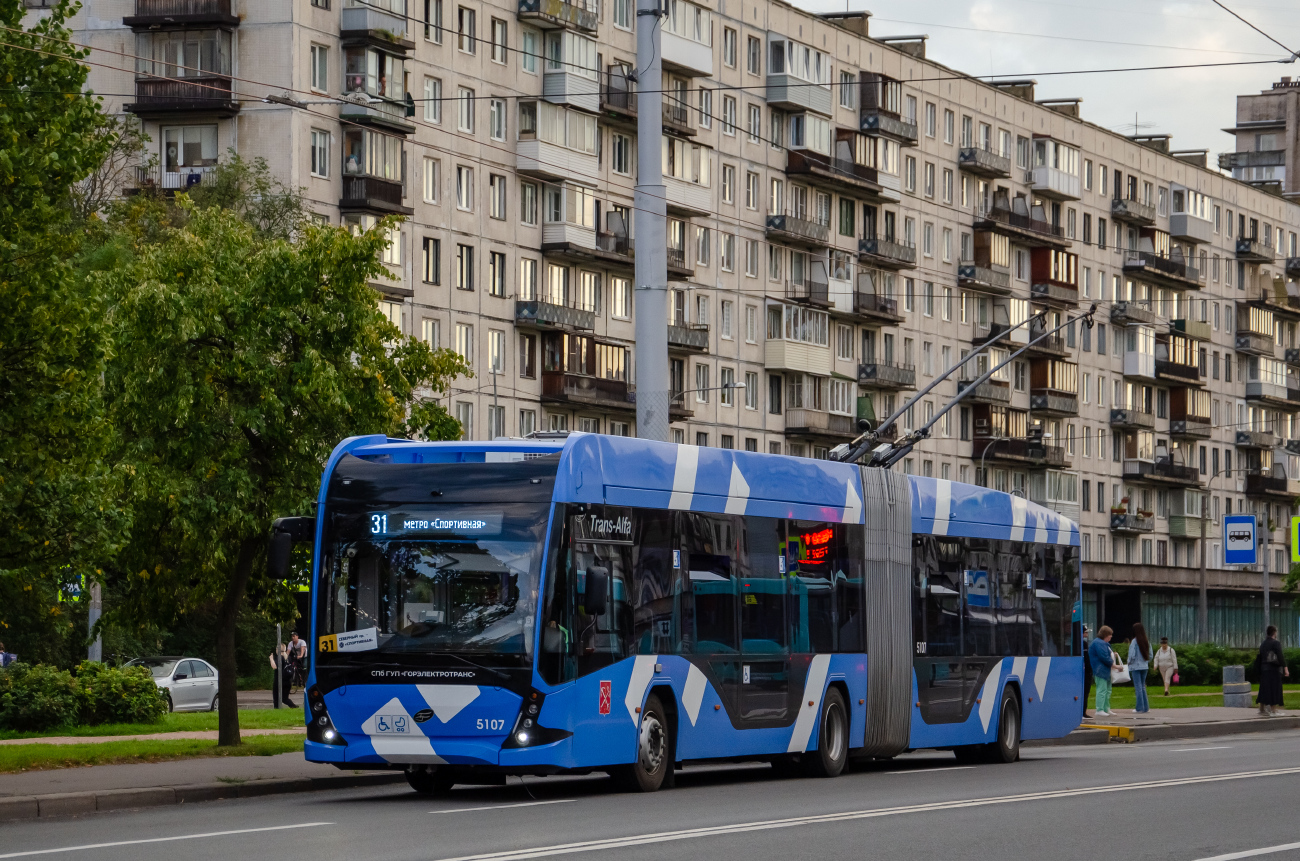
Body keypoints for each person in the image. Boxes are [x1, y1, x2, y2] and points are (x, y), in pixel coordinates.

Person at [1256, 625, 1289, 716]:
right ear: (1274, 632)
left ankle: (1262, 709)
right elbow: (1280, 656)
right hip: (1273, 669)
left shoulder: (1263, 643)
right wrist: (1285, 668)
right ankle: (1273, 710)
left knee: (1264, 688)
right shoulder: (1276, 643)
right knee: (1274, 689)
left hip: (1264, 669)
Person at [1089, 625, 1119, 716]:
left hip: (1105, 670)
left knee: (1107, 690)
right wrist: (1115, 666)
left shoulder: (1100, 643)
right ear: (1105, 635)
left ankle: (1106, 709)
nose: (1111, 636)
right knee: (1102, 690)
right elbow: (1104, 657)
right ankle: (1100, 709)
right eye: (1110, 634)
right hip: (1101, 670)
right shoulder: (1100, 643)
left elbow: (1105, 655)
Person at [1128, 622, 1152, 714]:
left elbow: (1132, 655)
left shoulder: (1134, 641)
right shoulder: (1146, 640)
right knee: (1142, 687)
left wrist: (1129, 662)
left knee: (1138, 687)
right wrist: (1146, 662)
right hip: (1144, 666)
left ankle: (1139, 708)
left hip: (1135, 667)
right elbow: (1150, 655)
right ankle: (1146, 707)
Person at [1081, 625, 1094, 716]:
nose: (1086, 634)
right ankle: (1083, 711)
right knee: (1085, 692)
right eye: (1085, 632)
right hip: (1086, 671)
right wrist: (1090, 670)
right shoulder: (1083, 644)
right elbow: (1086, 659)